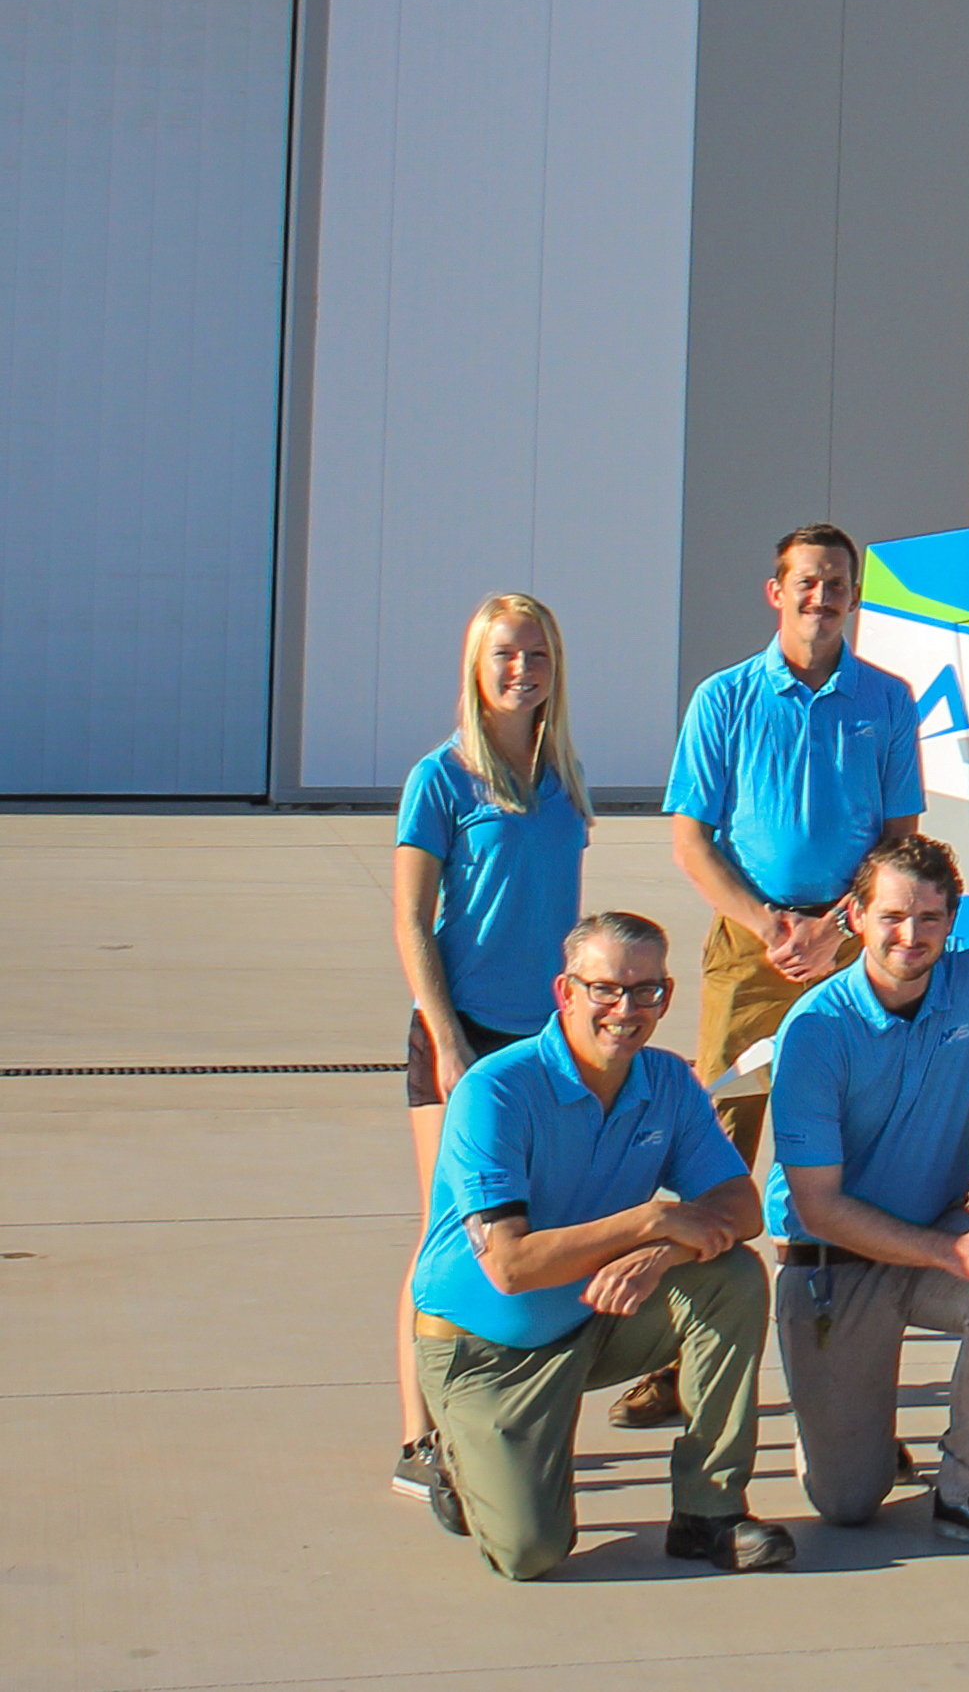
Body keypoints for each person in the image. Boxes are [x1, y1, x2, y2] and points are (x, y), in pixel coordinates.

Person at [407, 911, 788, 1579]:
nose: (626, 1009)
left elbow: (739, 1206)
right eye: (606, 988)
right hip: (485, 1348)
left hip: (591, 1318)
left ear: (666, 997)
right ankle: (455, 1453)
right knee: (530, 1553)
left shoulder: (667, 1082)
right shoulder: (495, 1091)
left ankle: (709, 1513)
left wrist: (666, 1249)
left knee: (732, 1274)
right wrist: (650, 1222)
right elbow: (509, 1265)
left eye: (647, 991)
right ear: (565, 992)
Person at [655, 523, 921, 1428]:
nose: (822, 595)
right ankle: (675, 1348)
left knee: (848, 1143)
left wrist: (842, 932)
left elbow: (898, 839)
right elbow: (691, 837)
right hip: (750, 943)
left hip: (851, 946)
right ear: (776, 592)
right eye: (806, 581)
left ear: (854, 594)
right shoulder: (724, 699)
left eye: (837, 581)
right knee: (718, 1141)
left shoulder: (885, 700)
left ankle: (843, 1342)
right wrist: (768, 923)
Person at [765, 836, 969, 1556]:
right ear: (853, 917)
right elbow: (820, 1206)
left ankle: (964, 1489)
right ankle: (841, 1432)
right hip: (831, 1258)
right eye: (893, 916)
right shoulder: (813, 1029)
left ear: (952, 919)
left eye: (930, 918)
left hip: (934, 1235)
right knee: (847, 1504)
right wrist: (956, 1250)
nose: (911, 936)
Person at [386, 594, 592, 1504]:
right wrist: (446, 1039)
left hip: (543, 1040)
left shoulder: (562, 776)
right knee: (451, 1233)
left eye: (537, 653)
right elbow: (411, 919)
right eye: (506, 654)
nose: (523, 669)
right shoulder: (441, 778)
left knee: (530, 1230)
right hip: (461, 1036)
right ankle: (418, 1436)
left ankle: (506, 1407)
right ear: (476, 665)